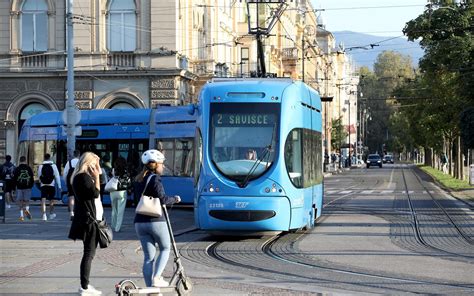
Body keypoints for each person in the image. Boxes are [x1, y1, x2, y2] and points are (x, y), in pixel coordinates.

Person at [134, 149, 181, 287]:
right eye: (162, 164)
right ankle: (157, 277)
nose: (163, 166)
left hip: (139, 222)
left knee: (148, 258)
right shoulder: (155, 179)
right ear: (156, 165)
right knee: (165, 248)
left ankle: (150, 288)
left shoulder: (138, 179)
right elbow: (163, 199)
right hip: (155, 221)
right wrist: (176, 199)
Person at [68, 152, 104, 296]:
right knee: (89, 253)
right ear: (89, 164)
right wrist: (96, 177)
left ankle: (85, 285)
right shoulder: (83, 177)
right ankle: (85, 286)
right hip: (88, 219)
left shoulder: (78, 177)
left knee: (88, 253)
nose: (97, 168)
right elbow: (96, 193)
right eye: (95, 164)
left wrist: (97, 167)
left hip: (86, 217)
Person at [110, 156, 131, 232]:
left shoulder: (113, 170)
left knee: (114, 210)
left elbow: (110, 179)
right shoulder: (126, 172)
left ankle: (113, 225)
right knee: (120, 211)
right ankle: (117, 228)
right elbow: (128, 182)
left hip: (113, 192)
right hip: (122, 192)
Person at [38, 153, 61, 221]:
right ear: (49, 158)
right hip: (51, 184)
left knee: (43, 200)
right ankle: (51, 214)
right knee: (51, 200)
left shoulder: (41, 166)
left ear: (44, 158)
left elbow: (39, 176)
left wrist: (41, 182)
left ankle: (44, 215)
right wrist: (59, 186)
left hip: (43, 185)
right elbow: (57, 176)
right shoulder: (53, 165)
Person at [13, 156, 34, 221]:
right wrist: (31, 185)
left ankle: (21, 216)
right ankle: (27, 210)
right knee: (27, 200)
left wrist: (14, 187)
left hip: (19, 187)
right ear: (25, 160)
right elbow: (31, 178)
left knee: (20, 201)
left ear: (20, 161)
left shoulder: (17, 168)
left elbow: (15, 178)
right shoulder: (29, 168)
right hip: (27, 187)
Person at [63, 150, 80, 220]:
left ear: (73, 154)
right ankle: (78, 212)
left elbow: (65, 174)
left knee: (71, 196)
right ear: (79, 155)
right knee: (79, 197)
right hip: (79, 182)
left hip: (70, 182)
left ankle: (72, 213)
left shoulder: (69, 163)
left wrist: (66, 183)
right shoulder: (81, 162)